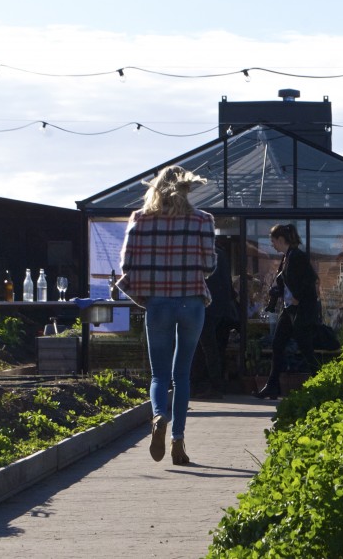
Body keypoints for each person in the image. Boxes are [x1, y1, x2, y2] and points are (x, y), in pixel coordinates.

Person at [117, 165, 215, 465]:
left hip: (158, 303)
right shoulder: (203, 220)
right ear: (186, 189)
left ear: (155, 188)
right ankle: (178, 441)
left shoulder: (139, 219)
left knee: (159, 375)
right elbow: (209, 265)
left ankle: (160, 416)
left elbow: (126, 265)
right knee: (182, 374)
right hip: (191, 303)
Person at [254, 223, 320, 399]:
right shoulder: (287, 257)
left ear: (281, 240)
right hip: (289, 309)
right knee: (278, 345)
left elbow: (311, 279)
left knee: (305, 348)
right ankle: (272, 386)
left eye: (273, 241)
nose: (272, 244)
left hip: (299, 310)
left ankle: (322, 382)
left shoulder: (297, 256)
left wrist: (299, 297)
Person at [192, 241, 237, 399]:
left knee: (207, 347)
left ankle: (213, 385)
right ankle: (207, 384)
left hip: (206, 307)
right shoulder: (221, 253)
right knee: (212, 347)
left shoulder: (200, 255)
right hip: (220, 308)